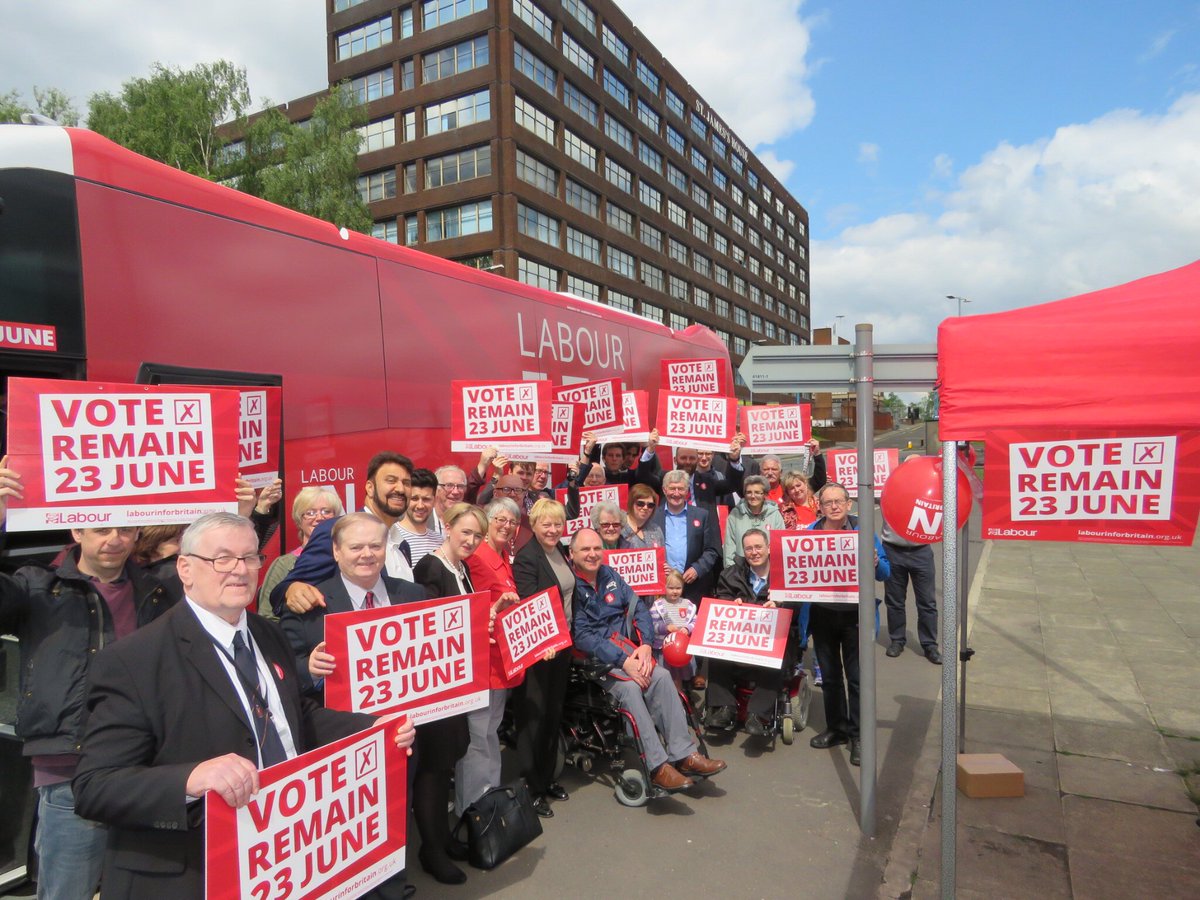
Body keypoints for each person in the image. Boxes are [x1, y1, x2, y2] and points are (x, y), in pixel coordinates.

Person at [71, 512, 416, 900]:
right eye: (222, 559)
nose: (239, 570)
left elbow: (293, 716)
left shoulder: (266, 632)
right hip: (196, 870)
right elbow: (95, 787)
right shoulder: (134, 660)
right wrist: (191, 779)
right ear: (185, 568)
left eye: (250, 557)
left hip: (286, 856)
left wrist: (370, 727)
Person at [0, 457, 175, 900]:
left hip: (144, 763)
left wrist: (251, 512)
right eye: (102, 528)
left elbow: (220, 568)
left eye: (125, 529)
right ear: (76, 531)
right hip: (68, 766)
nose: (115, 539)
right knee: (68, 891)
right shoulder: (36, 585)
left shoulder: (157, 588)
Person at [570, 528, 726, 792]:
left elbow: (638, 608)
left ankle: (685, 754)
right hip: (596, 661)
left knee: (662, 677)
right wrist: (623, 660)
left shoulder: (610, 575)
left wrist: (643, 646)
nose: (593, 554)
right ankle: (658, 767)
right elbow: (583, 636)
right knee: (631, 688)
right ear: (572, 554)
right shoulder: (572, 586)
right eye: (585, 549)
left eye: (597, 548)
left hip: (627, 649)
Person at [411, 503, 487, 885]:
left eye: (478, 535)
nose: (471, 540)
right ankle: (431, 850)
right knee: (434, 766)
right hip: (434, 685)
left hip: (458, 681)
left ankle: (441, 837)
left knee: (451, 755)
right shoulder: (430, 567)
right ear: (450, 527)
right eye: (466, 532)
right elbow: (429, 623)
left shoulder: (463, 567)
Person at [279, 513, 427, 698]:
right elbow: (282, 670)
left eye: (375, 546)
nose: (367, 554)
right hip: (344, 721)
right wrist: (310, 669)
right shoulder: (309, 607)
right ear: (336, 551)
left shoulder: (414, 595)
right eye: (356, 547)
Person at [806, 483, 890, 767]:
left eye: (838, 501)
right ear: (819, 505)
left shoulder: (863, 533)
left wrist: (875, 560)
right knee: (829, 678)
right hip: (822, 615)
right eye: (827, 502)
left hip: (855, 616)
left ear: (849, 504)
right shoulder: (809, 534)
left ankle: (859, 735)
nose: (833, 507)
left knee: (856, 679)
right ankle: (837, 728)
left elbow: (885, 573)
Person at [269, 451, 413, 616]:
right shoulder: (335, 531)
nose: (401, 489)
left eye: (407, 483)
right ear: (370, 488)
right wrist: (292, 589)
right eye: (391, 481)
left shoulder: (402, 544)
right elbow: (283, 590)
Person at [460, 499, 524, 818]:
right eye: (501, 519)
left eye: (513, 522)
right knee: (477, 736)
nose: (507, 526)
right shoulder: (476, 556)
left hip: (501, 661)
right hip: (483, 660)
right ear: (487, 522)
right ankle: (472, 808)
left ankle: (489, 796)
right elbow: (468, 608)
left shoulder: (501, 556)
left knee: (489, 732)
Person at [511, 499, 574, 818]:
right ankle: (530, 787)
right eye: (546, 524)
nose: (552, 530)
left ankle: (546, 778)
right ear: (533, 526)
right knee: (532, 720)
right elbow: (527, 604)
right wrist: (542, 642)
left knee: (553, 714)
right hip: (539, 651)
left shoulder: (560, 550)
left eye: (557, 524)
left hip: (562, 647)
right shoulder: (527, 558)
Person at [707, 529, 793, 735]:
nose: (754, 552)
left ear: (769, 548)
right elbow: (721, 602)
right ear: (743, 551)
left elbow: (800, 606)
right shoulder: (730, 574)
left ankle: (758, 714)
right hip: (741, 640)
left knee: (776, 657)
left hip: (773, 640)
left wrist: (782, 603)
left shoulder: (785, 574)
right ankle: (725, 708)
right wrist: (730, 604)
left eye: (758, 547)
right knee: (715, 651)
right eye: (749, 549)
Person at [256, 486, 344, 616]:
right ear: (299, 521)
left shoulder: (345, 558)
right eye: (310, 513)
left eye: (326, 511)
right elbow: (267, 616)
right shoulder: (283, 564)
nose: (319, 517)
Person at [650, 470, 721, 603]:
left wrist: (697, 569)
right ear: (664, 490)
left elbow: (711, 550)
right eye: (672, 488)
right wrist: (659, 566)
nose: (676, 493)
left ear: (687, 491)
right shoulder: (653, 516)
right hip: (663, 587)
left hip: (695, 586)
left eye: (681, 489)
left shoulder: (702, 515)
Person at [881, 515, 942, 664]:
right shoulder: (886, 490)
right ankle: (897, 640)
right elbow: (858, 494)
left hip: (921, 550)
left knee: (927, 602)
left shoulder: (923, 491)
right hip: (892, 549)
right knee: (894, 600)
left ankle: (929, 645)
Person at [722, 475, 786, 566]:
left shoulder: (775, 514)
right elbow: (729, 547)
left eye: (757, 492)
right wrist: (732, 574)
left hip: (768, 569)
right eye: (748, 492)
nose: (752, 496)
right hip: (741, 571)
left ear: (765, 494)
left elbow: (780, 546)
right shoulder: (735, 515)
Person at [649, 569, 696, 691]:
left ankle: (680, 697)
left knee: (678, 676)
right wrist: (665, 628)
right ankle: (669, 698)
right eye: (671, 588)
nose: (675, 591)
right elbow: (653, 624)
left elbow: (695, 622)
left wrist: (687, 628)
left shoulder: (687, 604)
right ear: (664, 587)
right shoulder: (658, 605)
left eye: (678, 588)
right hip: (665, 650)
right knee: (667, 676)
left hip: (682, 649)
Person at [393, 468, 443, 565]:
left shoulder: (440, 542)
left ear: (435, 500)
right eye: (414, 499)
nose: (420, 505)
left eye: (426, 499)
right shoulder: (390, 537)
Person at [133, 524, 187, 603]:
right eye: (176, 541)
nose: (181, 546)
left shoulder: (135, 575)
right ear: (155, 543)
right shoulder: (172, 572)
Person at [621, 484, 664, 549]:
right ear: (631, 503)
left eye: (650, 505)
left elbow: (662, 557)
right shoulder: (619, 528)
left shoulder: (656, 530)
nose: (645, 508)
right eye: (640, 503)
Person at [432, 464, 469, 531]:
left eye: (460, 486)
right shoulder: (423, 521)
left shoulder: (469, 523)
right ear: (436, 489)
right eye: (449, 485)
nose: (455, 492)